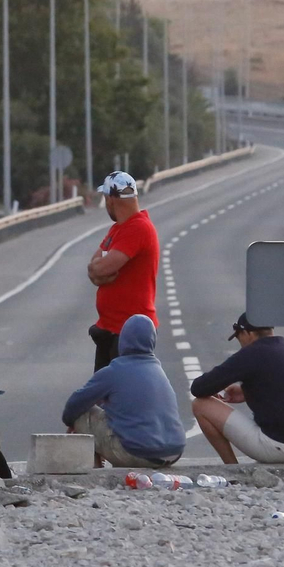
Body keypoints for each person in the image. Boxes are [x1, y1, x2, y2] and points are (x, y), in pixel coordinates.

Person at [60, 314, 185, 468]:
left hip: (138, 454)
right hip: (174, 452)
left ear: (123, 340)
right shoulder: (158, 370)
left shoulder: (114, 371)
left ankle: (95, 470)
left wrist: (72, 422)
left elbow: (73, 405)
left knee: (83, 412)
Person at [189, 312, 284, 465]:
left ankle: (232, 467)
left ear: (248, 333)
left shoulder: (251, 354)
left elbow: (199, 388)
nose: (239, 342)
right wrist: (246, 392)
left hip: (281, 448)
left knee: (200, 405)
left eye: (238, 337)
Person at [85, 170, 159, 372]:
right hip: (110, 329)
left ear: (110, 199)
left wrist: (99, 270)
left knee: (123, 397)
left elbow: (100, 267)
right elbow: (94, 268)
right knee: (103, 396)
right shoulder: (118, 229)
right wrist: (98, 271)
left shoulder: (138, 228)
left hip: (129, 333)